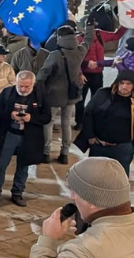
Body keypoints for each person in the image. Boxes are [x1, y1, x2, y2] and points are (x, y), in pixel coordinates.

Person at [24, 157, 134, 258]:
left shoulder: (84, 253)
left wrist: (48, 240)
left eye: (74, 191)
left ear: (94, 200)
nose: (71, 197)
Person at [0, 71, 50, 207]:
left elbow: (47, 117)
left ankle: (17, 193)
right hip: (9, 134)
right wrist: (9, 114)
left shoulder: (40, 96)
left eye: (26, 87)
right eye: (20, 86)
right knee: (0, 164)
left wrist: (31, 118)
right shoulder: (7, 93)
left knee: (23, 166)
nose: (23, 89)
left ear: (33, 84)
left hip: (28, 137)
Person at [36, 24, 94, 164]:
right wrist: (90, 28)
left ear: (60, 37)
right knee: (66, 123)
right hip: (72, 94)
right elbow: (88, 41)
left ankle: (46, 152)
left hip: (54, 95)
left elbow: (41, 76)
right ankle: (64, 154)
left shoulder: (55, 55)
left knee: (48, 123)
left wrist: (40, 92)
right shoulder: (80, 51)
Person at [75, 70, 134, 176]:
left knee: (118, 180)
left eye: (128, 84)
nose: (124, 86)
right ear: (117, 83)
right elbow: (88, 114)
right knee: (94, 177)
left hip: (122, 148)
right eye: (121, 83)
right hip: (99, 145)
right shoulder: (103, 94)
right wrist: (90, 137)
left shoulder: (133, 102)